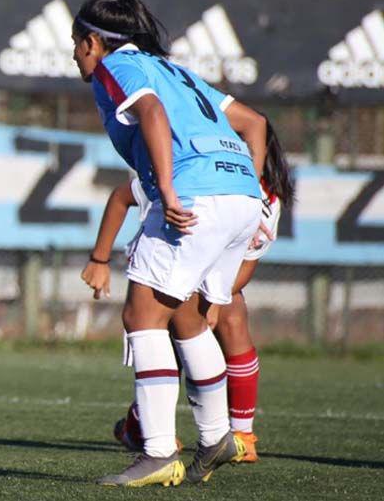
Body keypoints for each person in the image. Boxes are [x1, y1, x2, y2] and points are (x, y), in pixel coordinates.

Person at [72, 0, 268, 486]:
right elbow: (253, 122)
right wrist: (251, 189)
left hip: (196, 194)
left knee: (142, 315)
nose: (75, 54)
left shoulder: (114, 68)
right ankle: (219, 436)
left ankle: (158, 451)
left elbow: (154, 115)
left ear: (95, 42)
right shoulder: (175, 70)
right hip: (240, 195)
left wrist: (171, 189)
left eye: (77, 43)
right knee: (188, 315)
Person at [81, 118, 295, 464]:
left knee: (228, 313)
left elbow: (246, 264)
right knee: (177, 325)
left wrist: (216, 298)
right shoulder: (190, 173)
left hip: (208, 278)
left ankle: (235, 435)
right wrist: (99, 259)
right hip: (175, 271)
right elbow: (122, 196)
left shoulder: (261, 197)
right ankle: (159, 427)